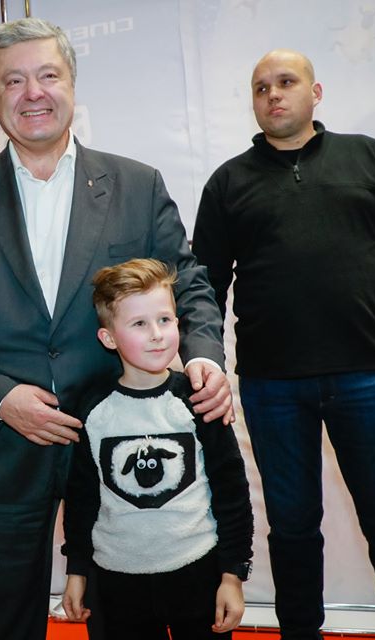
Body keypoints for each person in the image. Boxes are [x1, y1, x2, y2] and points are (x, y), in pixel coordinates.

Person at [0, 17, 232, 640]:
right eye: (14, 81)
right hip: (6, 440)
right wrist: (1, 398)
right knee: (7, 617)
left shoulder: (136, 185)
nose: (33, 92)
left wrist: (205, 355)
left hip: (126, 434)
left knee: (123, 617)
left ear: (72, 84)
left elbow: (189, 281)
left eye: (48, 75)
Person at [192, 49, 375, 639]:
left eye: (286, 82)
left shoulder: (369, 158)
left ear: (316, 91)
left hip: (368, 376)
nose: (273, 94)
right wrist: (209, 366)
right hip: (272, 386)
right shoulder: (228, 182)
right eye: (261, 88)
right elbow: (205, 284)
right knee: (293, 529)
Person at [61, 258, 253, 639]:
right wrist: (77, 571)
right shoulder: (92, 409)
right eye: (139, 324)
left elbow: (231, 490)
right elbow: (81, 498)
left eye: (165, 320)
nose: (157, 335)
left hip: (198, 574)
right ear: (109, 338)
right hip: (116, 586)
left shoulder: (199, 399)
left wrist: (232, 575)